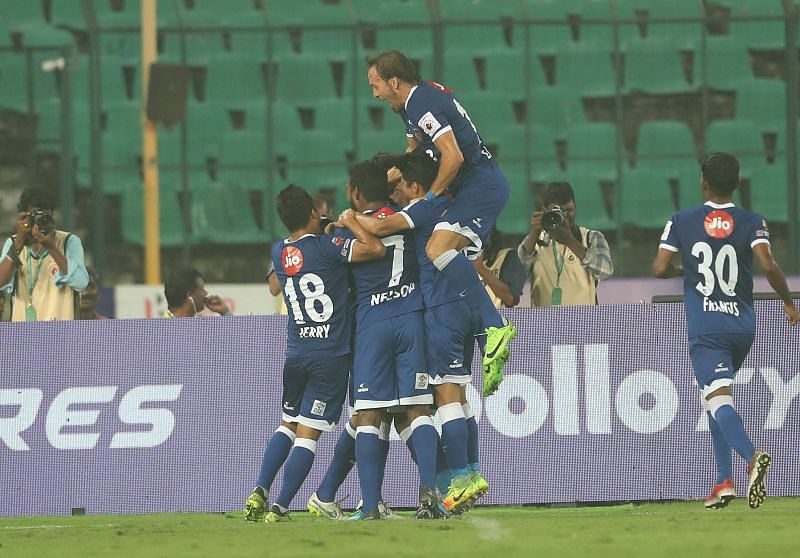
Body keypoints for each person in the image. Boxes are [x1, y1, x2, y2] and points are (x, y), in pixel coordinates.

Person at [651, 152, 799, 510]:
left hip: (707, 328)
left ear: (703, 181)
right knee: (712, 398)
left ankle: (752, 457)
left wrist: (686, 274)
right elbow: (768, 263)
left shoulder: (682, 220)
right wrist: (789, 302)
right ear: (736, 183)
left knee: (717, 399)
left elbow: (658, 268)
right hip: (743, 326)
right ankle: (723, 482)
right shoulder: (752, 221)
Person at [367, 50, 516, 389]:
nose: (374, 94)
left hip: (480, 186)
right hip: (470, 189)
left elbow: (453, 155)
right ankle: (488, 341)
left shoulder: (421, 101)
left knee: (438, 248)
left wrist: (430, 197)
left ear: (394, 82)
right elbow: (414, 154)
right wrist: (384, 179)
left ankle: (495, 327)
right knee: (452, 258)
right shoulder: (409, 108)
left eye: (376, 85)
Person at [353, 149, 490, 515]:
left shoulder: (420, 209)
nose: (395, 191)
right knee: (459, 397)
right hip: (468, 304)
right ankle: (470, 475)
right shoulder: (455, 204)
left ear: (415, 185)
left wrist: (347, 219)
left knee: (442, 399)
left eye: (399, 185)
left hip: (439, 308)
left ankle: (459, 480)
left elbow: (379, 230)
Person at [244, 184, 386, 523]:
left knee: (287, 425)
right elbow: (375, 248)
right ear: (312, 213)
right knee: (308, 435)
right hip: (330, 355)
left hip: (296, 354)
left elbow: (275, 284)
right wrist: (347, 222)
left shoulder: (279, 251)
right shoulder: (330, 247)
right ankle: (279, 508)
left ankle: (259, 490)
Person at [331, 158, 443, 520]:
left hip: (372, 324)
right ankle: (430, 496)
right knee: (418, 409)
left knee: (368, 413)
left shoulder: (348, 230)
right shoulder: (406, 217)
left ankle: (370, 505)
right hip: (411, 318)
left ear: (355, 193)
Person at [517, 181, 614, 307]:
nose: (564, 216)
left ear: (575, 207)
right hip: (544, 324)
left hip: (584, 323)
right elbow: (516, 278)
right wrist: (533, 234)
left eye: (568, 210)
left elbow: (606, 271)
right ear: (544, 211)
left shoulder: (591, 237)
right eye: (557, 211)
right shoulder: (535, 242)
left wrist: (570, 240)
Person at [0, 188, 88, 321]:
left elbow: (81, 283)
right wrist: (19, 240)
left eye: (45, 215)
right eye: (35, 215)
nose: (40, 220)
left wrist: (52, 248)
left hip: (61, 333)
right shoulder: (14, 243)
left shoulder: (68, 241)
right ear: (25, 216)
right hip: (23, 334)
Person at [474, 228, 526, 308]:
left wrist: (480, 267)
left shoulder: (507, 256)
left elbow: (510, 298)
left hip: (498, 317)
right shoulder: (462, 262)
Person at [163, 268, 231, 318]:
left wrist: (225, 312)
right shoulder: (202, 329)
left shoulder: (160, 328)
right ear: (189, 296)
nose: (206, 293)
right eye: (201, 289)